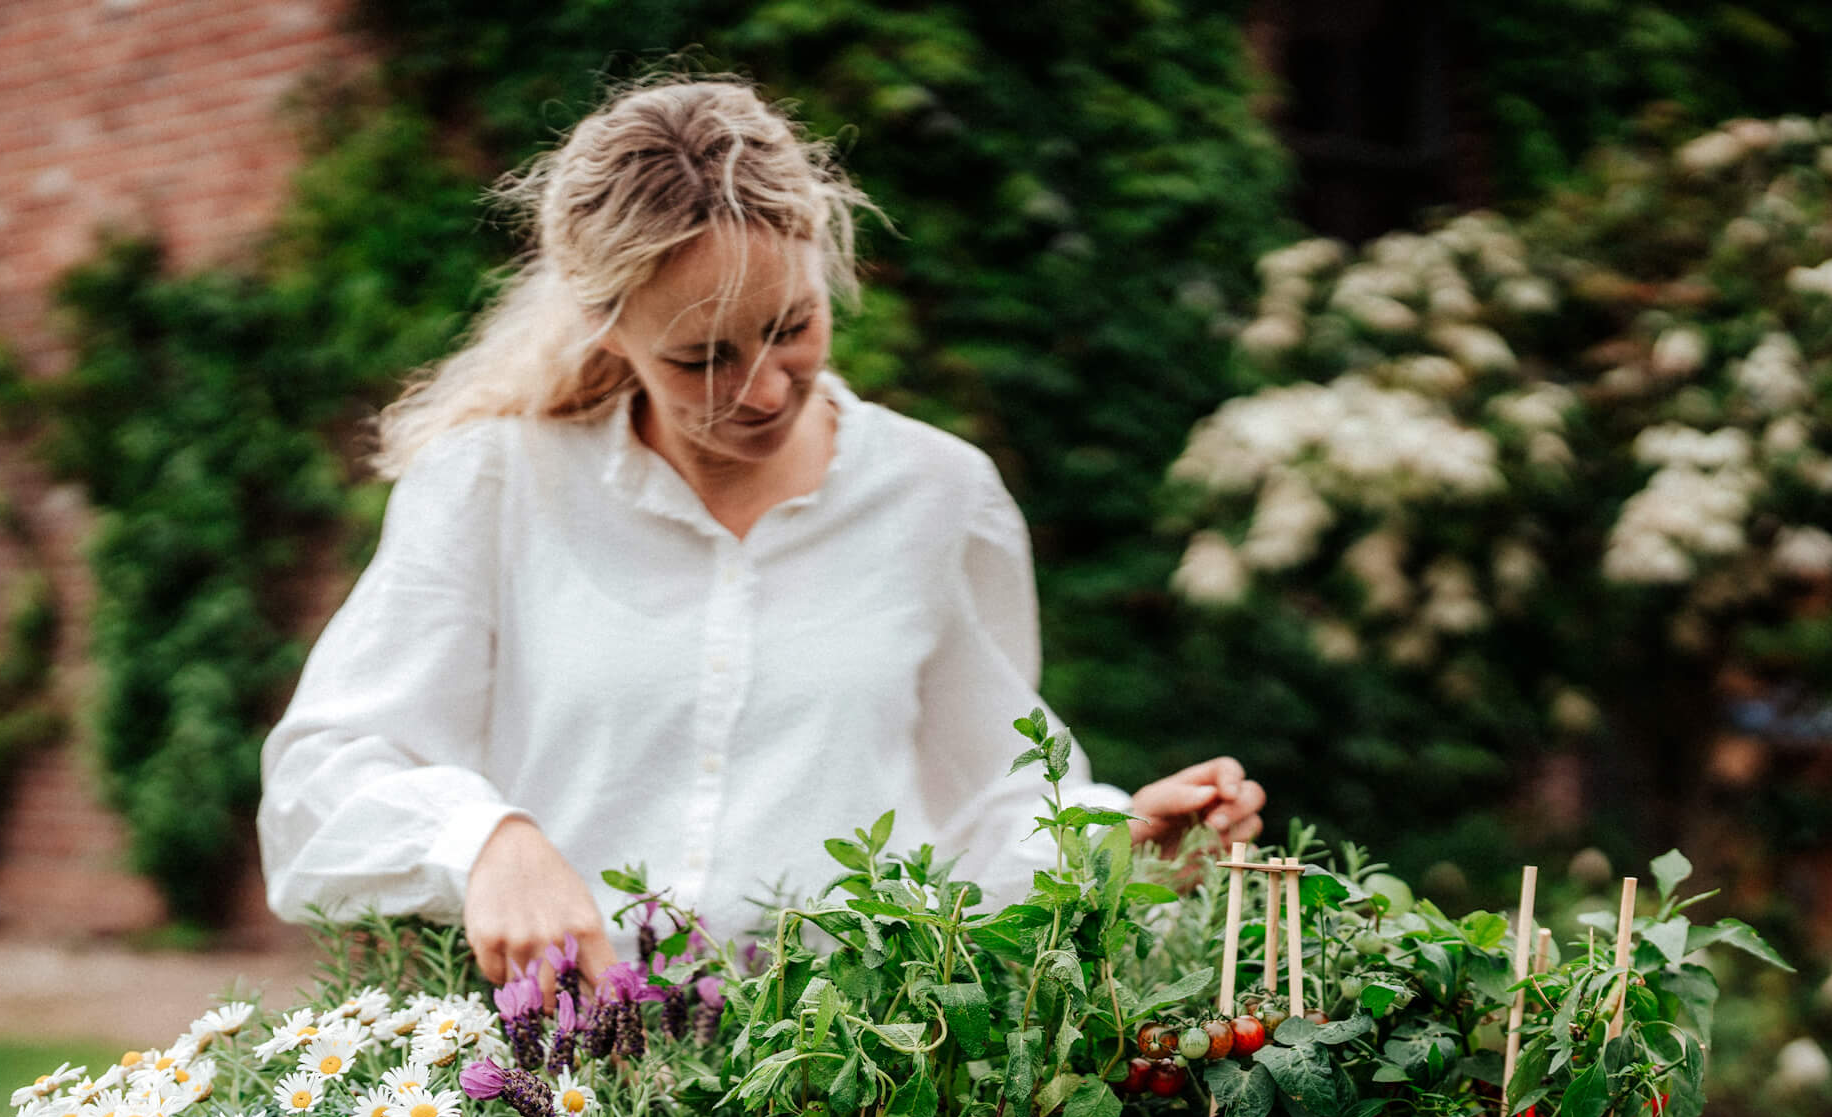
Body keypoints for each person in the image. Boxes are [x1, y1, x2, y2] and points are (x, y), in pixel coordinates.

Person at [259, 78, 1264, 985]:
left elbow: (991, 801)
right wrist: (487, 839)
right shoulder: (495, 484)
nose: (761, 389)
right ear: (608, 325)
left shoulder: (939, 494)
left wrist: (1119, 848)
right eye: (702, 356)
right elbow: (320, 780)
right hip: (562, 1111)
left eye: (790, 327)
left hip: (840, 1115)